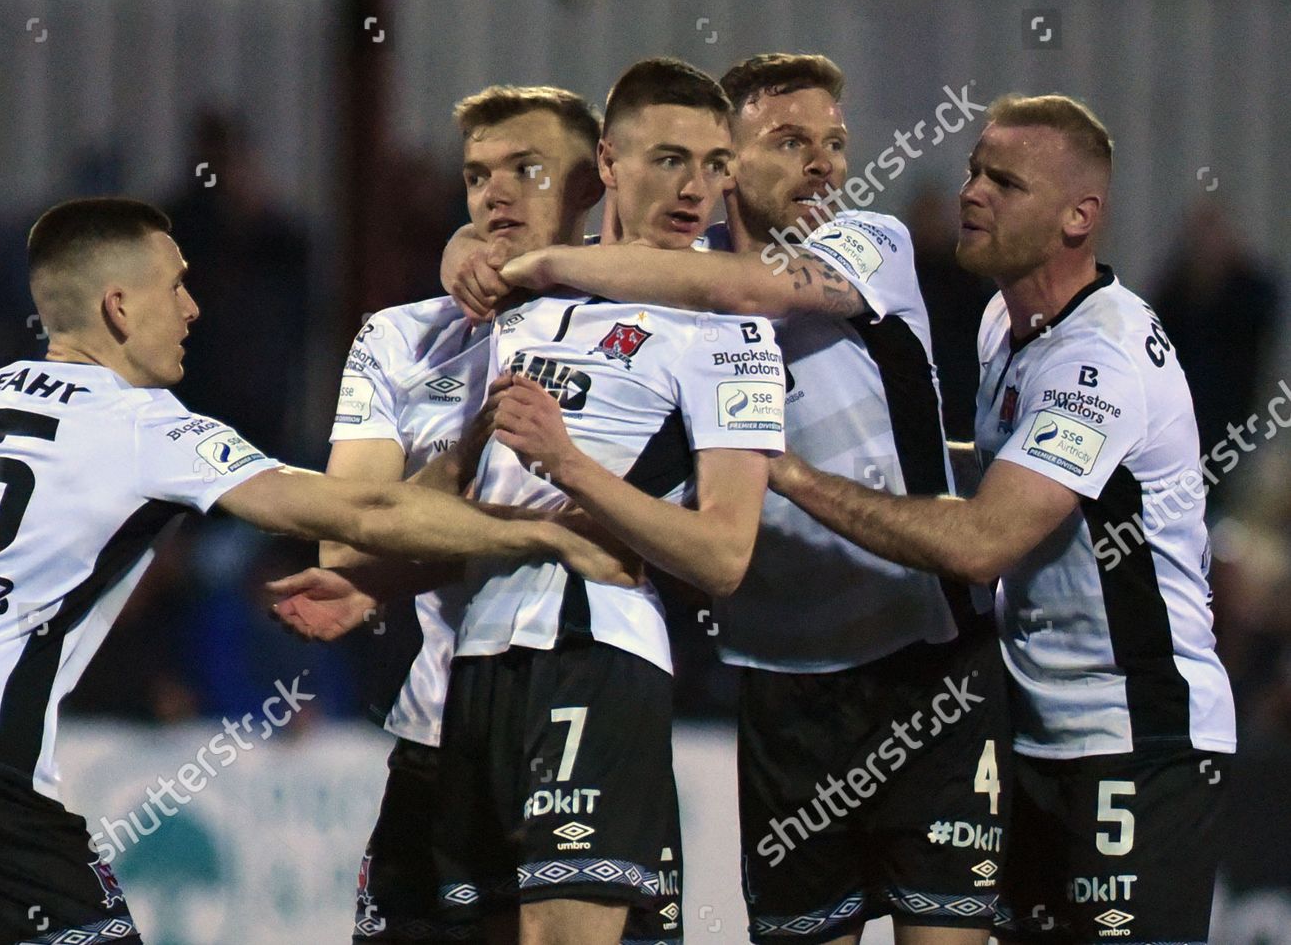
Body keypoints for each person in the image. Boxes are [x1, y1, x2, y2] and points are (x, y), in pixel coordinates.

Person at [0, 197, 630, 945]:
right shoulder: (138, 423)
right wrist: (546, 532)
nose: (192, 308)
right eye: (176, 286)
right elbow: (359, 513)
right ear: (118, 306)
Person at [470, 53, 1006, 944]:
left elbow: (742, 290)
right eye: (788, 142)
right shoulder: (663, 290)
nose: (825, 164)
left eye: (834, 143)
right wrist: (480, 252)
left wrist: (541, 259)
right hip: (782, 684)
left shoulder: (868, 243)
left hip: (928, 664)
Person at [760, 96, 1236, 943]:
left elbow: (983, 543)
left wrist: (794, 476)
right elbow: (998, 470)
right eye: (976, 170)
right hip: (1036, 736)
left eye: (1005, 182)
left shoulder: (1100, 361)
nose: (972, 192)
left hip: (1138, 739)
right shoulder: (1001, 322)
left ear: (1078, 217)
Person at [311, 84, 678, 945]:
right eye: (478, 177)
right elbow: (345, 541)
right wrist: (470, 453)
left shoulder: (656, 325)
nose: (496, 195)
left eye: (528, 169)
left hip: (589, 712)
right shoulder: (399, 339)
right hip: (438, 738)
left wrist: (437, 529)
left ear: (595, 180)